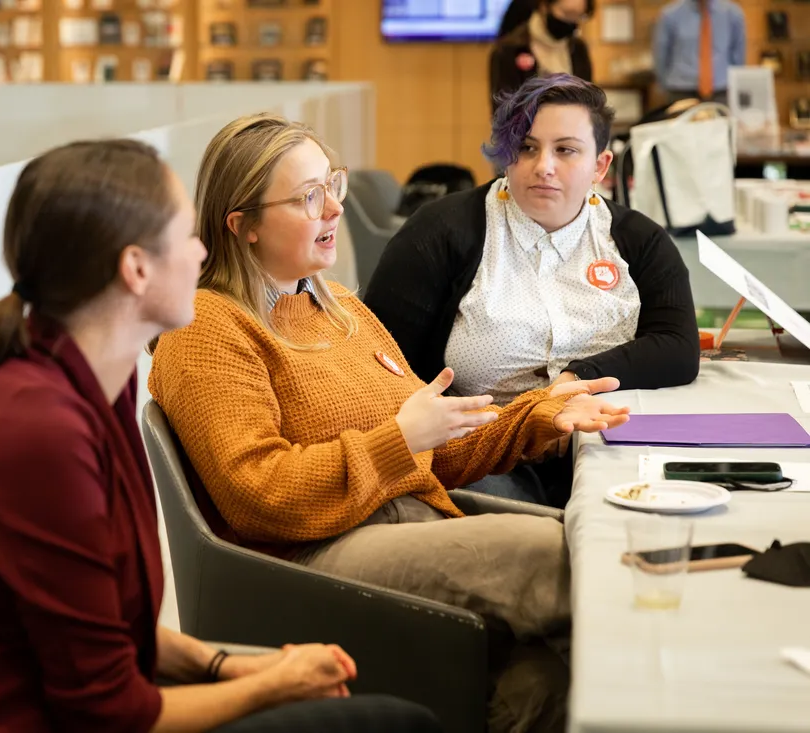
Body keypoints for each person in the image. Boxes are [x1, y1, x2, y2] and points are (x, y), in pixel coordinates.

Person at [0, 139, 444, 733]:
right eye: (186, 234)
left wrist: (223, 664)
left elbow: (108, 628)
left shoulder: (88, 381)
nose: (200, 252)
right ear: (136, 268)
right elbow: (112, 712)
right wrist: (273, 682)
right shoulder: (40, 434)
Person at [148, 114, 631, 733]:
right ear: (241, 227)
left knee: (545, 673)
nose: (332, 211)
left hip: (403, 523)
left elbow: (438, 442)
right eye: (306, 198)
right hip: (304, 558)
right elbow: (258, 494)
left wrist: (540, 414)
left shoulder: (337, 304)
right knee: (560, 557)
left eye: (332, 186)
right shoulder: (208, 328)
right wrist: (399, 439)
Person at [364, 75, 697, 505]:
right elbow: (378, 363)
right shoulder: (441, 233)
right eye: (526, 147)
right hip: (478, 460)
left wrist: (574, 381)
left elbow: (677, 345)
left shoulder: (639, 240)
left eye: (566, 150)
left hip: (603, 449)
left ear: (600, 166)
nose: (544, 166)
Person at [489, 0, 594, 113]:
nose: (571, 21)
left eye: (579, 16)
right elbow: (503, 111)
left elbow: (589, 102)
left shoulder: (578, 49)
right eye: (567, 13)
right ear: (544, 7)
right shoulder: (510, 50)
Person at [653, 0, 745, 105]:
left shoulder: (733, 14)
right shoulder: (670, 15)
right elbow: (661, 55)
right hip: (681, 91)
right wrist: (664, 85)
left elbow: (738, 55)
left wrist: (737, 85)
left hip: (721, 91)